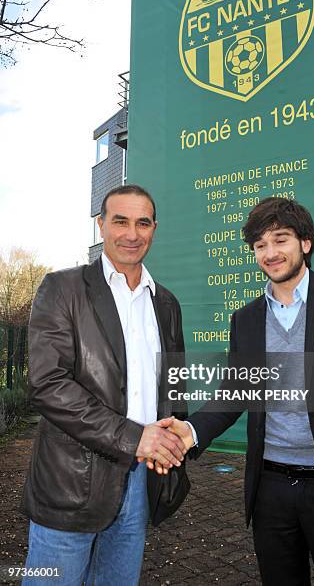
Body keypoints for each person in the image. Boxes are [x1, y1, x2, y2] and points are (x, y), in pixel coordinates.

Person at [166, 197, 314, 585]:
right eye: (260, 245)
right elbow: (236, 393)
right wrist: (190, 431)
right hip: (271, 490)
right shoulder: (245, 319)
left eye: (280, 240)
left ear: (305, 243)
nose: (270, 253)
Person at [21, 184, 187, 585]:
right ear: (101, 225)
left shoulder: (166, 303)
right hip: (70, 482)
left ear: (154, 229)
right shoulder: (63, 289)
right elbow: (47, 383)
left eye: (142, 223)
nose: (132, 234)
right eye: (120, 221)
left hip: (140, 482)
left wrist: (175, 429)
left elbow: (173, 383)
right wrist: (135, 437)